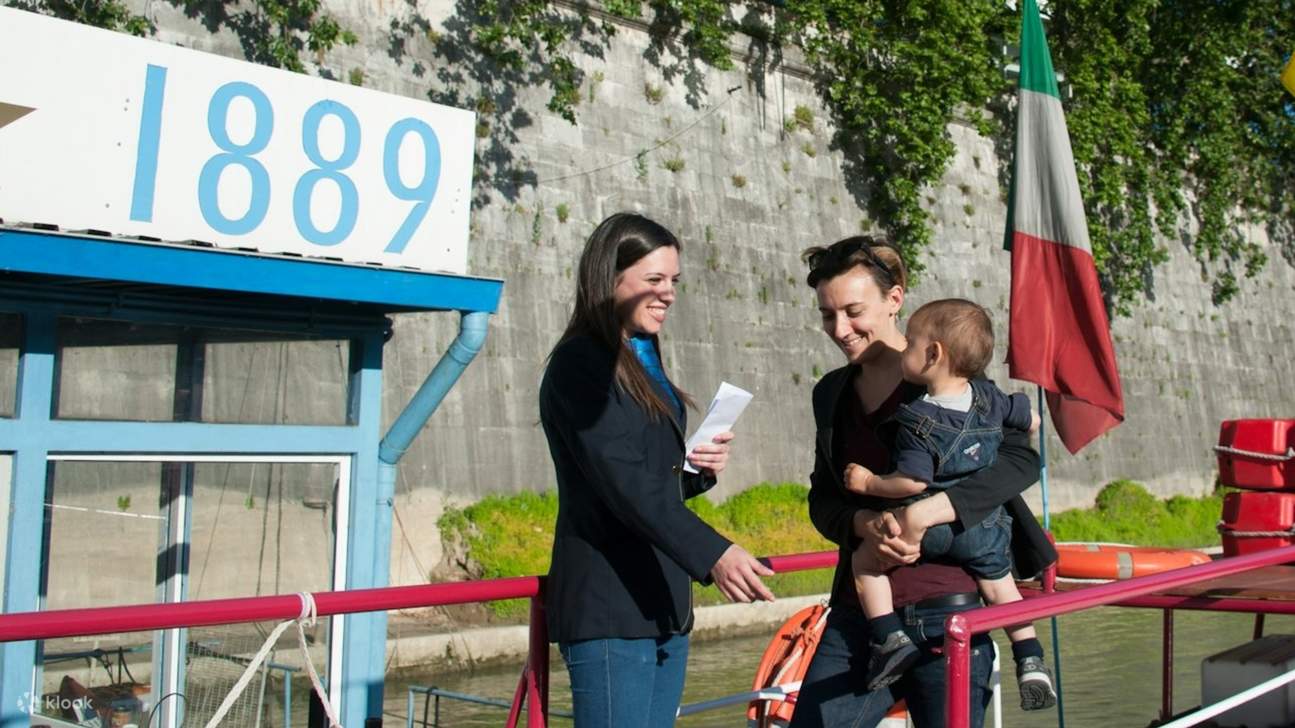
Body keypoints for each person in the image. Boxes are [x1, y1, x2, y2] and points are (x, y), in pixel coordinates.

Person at [788, 235, 1057, 728]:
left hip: (948, 614)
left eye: (852, 311)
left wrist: (928, 512)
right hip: (861, 617)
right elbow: (824, 499)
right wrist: (863, 522)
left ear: (894, 299)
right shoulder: (830, 394)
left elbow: (1021, 461)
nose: (840, 329)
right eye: (828, 315)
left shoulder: (948, 379)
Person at [539, 212, 776, 728]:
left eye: (673, 281)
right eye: (653, 280)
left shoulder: (640, 352)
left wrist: (694, 470)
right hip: (610, 606)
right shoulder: (580, 364)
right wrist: (714, 552)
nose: (668, 293)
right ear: (610, 279)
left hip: (662, 603)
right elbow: (620, 482)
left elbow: (647, 477)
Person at [841, 298, 1056, 710]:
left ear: (934, 354)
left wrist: (869, 481)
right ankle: (1030, 658)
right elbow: (1028, 418)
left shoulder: (915, 419)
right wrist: (1029, 422)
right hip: (988, 525)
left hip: (932, 530)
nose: (904, 349)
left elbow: (913, 479)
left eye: (911, 344)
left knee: (866, 563)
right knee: (1000, 587)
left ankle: (889, 636)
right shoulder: (990, 398)